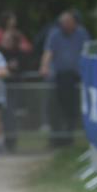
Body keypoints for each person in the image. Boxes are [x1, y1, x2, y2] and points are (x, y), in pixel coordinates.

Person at [39, 11, 88, 146]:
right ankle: (56, 137)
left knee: (71, 108)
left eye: (68, 22)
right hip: (59, 78)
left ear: (74, 23)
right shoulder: (55, 34)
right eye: (63, 23)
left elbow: (88, 51)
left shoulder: (81, 34)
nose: (65, 25)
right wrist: (44, 66)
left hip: (76, 78)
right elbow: (48, 51)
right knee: (56, 108)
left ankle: (69, 136)